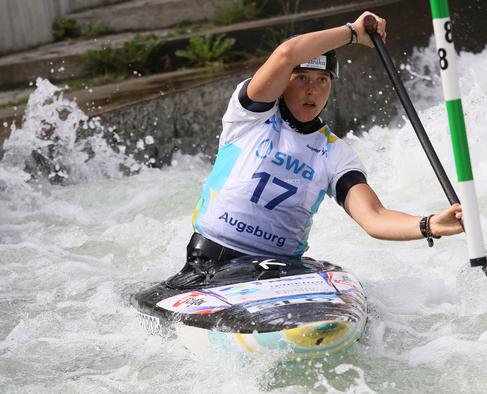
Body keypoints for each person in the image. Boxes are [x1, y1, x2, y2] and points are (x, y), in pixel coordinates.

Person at [169, 11, 463, 287]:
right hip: (211, 264)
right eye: (302, 79)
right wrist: (352, 33)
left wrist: (429, 225)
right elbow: (287, 53)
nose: (313, 90)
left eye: (323, 80)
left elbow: (374, 218)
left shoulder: (335, 153)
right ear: (284, 82)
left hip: (278, 271)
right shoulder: (250, 116)